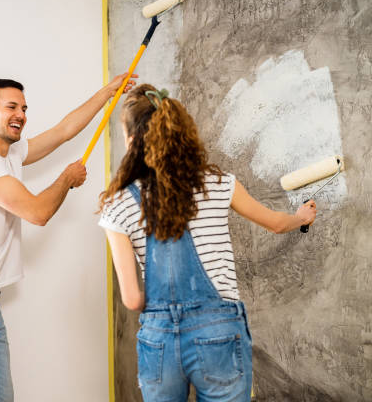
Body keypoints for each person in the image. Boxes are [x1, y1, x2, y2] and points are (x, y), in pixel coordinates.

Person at [0, 73, 136, 402]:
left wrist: (108, 92)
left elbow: (64, 131)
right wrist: (66, 178)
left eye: (23, 108)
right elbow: (37, 212)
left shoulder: (11, 154)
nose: (20, 114)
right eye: (11, 106)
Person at [98, 84, 317, 402]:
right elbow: (274, 223)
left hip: (159, 343)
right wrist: (301, 217)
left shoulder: (117, 204)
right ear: (180, 134)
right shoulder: (217, 183)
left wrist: (168, 312)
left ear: (132, 140)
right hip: (218, 334)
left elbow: (132, 299)